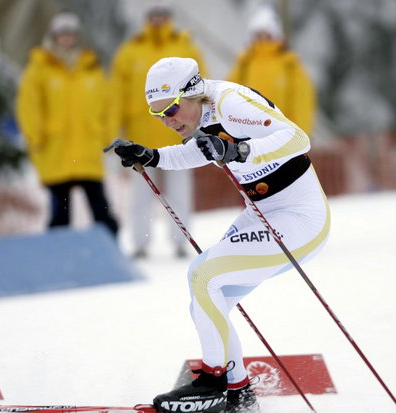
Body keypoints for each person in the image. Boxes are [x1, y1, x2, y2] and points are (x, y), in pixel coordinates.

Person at [111, 57, 330, 413]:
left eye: (170, 109)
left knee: (204, 274)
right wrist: (150, 156)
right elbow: (197, 153)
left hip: (299, 219)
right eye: (157, 114)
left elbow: (298, 137)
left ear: (192, 92)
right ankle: (238, 393)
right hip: (261, 213)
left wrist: (240, 150)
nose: (167, 120)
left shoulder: (229, 102)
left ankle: (212, 383)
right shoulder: (201, 112)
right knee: (209, 296)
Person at [109, 3, 207, 258]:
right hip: (141, 135)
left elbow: (201, 89)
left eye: (162, 16)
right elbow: (117, 94)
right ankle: (141, 242)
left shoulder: (184, 47)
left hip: (179, 134)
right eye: (153, 17)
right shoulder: (130, 51)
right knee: (141, 193)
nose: (158, 21)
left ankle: (180, 240)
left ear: (169, 18)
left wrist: (203, 123)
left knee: (180, 191)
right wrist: (113, 129)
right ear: (146, 19)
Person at [16, 12, 118, 237]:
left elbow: (109, 105)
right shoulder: (39, 70)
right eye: (62, 35)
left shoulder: (92, 69)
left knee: (101, 209)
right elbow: (28, 106)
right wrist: (35, 137)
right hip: (56, 152)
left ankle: (110, 252)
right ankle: (59, 259)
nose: (66, 40)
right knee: (60, 214)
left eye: (70, 35)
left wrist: (108, 136)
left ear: (77, 37)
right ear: (53, 37)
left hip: (88, 151)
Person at [227, 4, 317, 136]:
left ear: (275, 35)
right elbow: (228, 94)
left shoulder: (290, 65)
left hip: (278, 134)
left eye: (266, 35)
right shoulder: (245, 62)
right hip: (245, 132)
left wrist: (300, 136)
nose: (262, 40)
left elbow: (301, 104)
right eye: (258, 35)